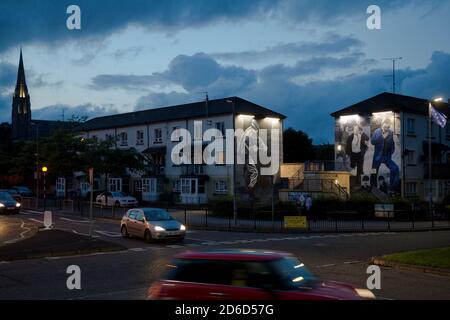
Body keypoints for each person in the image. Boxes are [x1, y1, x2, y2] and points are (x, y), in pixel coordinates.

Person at [371, 119, 400, 191]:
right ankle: (373, 187)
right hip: (377, 156)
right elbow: (373, 142)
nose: (386, 129)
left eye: (388, 127)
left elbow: (392, 144)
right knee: (373, 172)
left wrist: (391, 151)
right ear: (382, 125)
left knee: (395, 168)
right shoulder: (377, 132)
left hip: (386, 156)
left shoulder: (390, 132)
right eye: (385, 127)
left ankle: (392, 188)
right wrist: (382, 137)